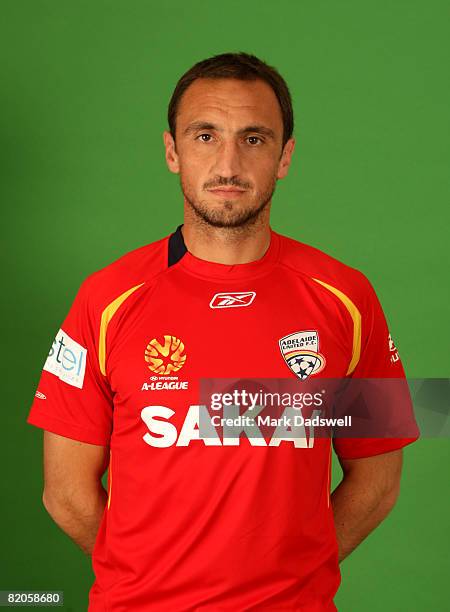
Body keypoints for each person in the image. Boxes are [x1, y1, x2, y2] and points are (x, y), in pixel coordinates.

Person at [26, 52, 420, 611]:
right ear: (173, 152)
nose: (228, 164)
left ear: (285, 157)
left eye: (254, 139)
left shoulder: (346, 298)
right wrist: (150, 581)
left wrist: (288, 579)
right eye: (205, 136)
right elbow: (65, 495)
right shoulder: (105, 299)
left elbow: (377, 483)